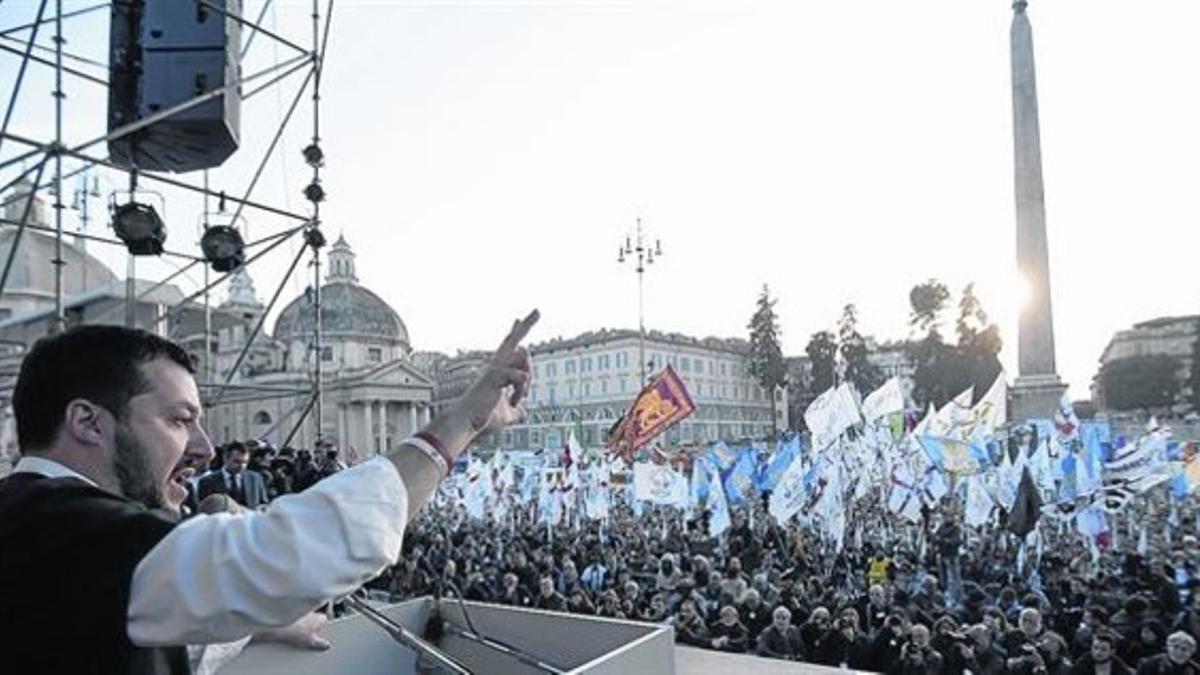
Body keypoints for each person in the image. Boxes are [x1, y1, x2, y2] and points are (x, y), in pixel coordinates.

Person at [0, 312, 538, 673]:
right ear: (88, 423)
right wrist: (462, 425)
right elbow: (302, 548)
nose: (205, 448)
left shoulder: (45, 531)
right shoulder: (68, 532)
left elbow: (146, 632)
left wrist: (254, 629)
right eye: (178, 420)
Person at [197, 442, 268, 509]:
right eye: (237, 461)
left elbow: (263, 503)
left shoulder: (255, 479)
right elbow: (204, 508)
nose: (241, 466)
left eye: (245, 462)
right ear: (225, 458)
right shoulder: (207, 481)